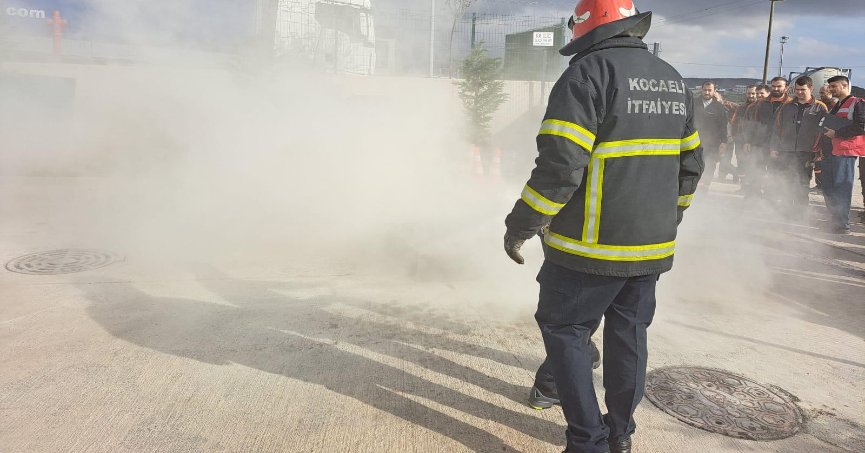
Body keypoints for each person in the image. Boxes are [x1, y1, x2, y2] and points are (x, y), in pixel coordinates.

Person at [503, 1, 703, 451]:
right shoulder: (672, 78)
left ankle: (586, 440)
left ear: (585, 28)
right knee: (628, 337)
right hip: (650, 247)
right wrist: (666, 219)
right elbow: (691, 165)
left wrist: (522, 223)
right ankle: (620, 436)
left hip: (587, 247)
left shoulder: (587, 73)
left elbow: (560, 166)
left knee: (567, 331)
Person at [768, 76, 827, 217]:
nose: (799, 92)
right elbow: (777, 128)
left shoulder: (820, 107)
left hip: (806, 152)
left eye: (803, 89)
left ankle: (800, 212)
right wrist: (774, 147)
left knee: (802, 183)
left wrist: (818, 150)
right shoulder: (786, 106)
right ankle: (787, 210)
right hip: (786, 150)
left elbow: (823, 131)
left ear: (811, 89)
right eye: (797, 89)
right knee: (786, 181)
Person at [823, 75, 865, 233]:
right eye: (830, 86)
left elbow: (861, 126)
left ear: (844, 85)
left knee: (842, 188)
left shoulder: (857, 103)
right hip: (832, 150)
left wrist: (837, 133)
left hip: (846, 151)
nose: (831, 89)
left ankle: (841, 225)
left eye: (834, 86)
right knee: (828, 187)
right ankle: (835, 219)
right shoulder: (837, 105)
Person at [747, 77, 792, 199]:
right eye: (773, 86)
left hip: (780, 147)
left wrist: (780, 146)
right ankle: (753, 198)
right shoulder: (761, 104)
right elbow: (754, 123)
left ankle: (772, 200)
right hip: (760, 144)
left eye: (779, 86)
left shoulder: (791, 104)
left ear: (786, 88)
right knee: (756, 172)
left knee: (776, 174)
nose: (776, 89)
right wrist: (749, 141)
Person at [694, 81, 729, 189]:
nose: (707, 92)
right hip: (694, 141)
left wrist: (723, 142)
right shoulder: (693, 103)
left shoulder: (719, 107)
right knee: (695, 164)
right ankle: (694, 187)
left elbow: (723, 126)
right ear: (702, 90)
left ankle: (705, 188)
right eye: (705, 90)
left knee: (710, 164)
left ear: (714, 91)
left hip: (713, 142)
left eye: (710, 90)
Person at [731, 85, 759, 190]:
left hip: (754, 142)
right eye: (749, 93)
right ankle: (743, 187)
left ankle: (752, 188)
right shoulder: (741, 108)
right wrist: (735, 137)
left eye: (753, 93)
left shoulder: (760, 107)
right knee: (741, 163)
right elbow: (734, 123)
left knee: (753, 164)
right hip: (740, 141)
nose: (751, 95)